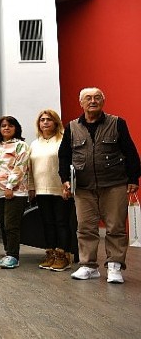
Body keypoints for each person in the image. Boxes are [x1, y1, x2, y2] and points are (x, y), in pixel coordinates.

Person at [59, 87, 140, 283]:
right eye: (88, 98)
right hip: (83, 187)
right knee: (85, 227)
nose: (92, 101)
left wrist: (133, 179)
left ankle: (114, 266)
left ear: (103, 102)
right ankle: (88, 265)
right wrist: (65, 180)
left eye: (97, 98)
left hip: (114, 184)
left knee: (115, 227)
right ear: (81, 103)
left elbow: (130, 152)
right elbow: (64, 156)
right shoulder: (71, 127)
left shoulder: (117, 123)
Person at [28, 109, 73, 271]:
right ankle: (51, 253)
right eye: (42, 120)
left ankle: (63, 255)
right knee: (47, 223)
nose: (45, 122)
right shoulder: (34, 144)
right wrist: (31, 188)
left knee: (61, 222)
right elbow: (30, 168)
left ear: (56, 122)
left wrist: (68, 185)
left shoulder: (63, 140)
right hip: (41, 190)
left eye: (49, 119)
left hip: (60, 189)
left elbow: (69, 165)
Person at [0, 116, 30, 269]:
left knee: (12, 225)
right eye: (3, 126)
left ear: (16, 128)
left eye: (10, 125)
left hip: (14, 192)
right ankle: (8, 253)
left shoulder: (21, 146)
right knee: (4, 225)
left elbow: (20, 168)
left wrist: (10, 187)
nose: (6, 128)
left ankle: (14, 256)